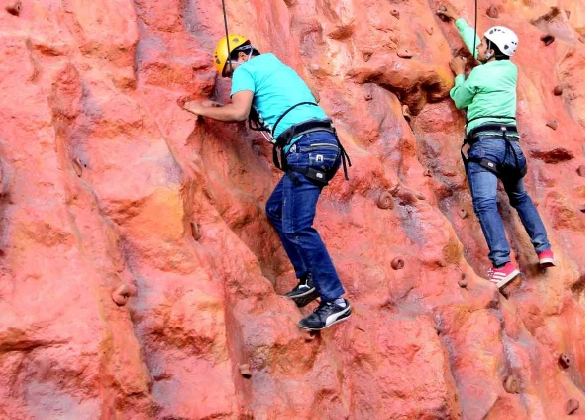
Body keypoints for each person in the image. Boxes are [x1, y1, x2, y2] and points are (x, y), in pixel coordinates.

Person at [180, 35, 351, 330]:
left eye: (230, 72)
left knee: (298, 226)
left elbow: (238, 112)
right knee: (276, 210)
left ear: (239, 58)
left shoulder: (247, 69)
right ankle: (309, 278)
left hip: (306, 148)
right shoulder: (281, 68)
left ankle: (335, 301)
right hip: (322, 145)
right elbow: (314, 99)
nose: (233, 79)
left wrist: (201, 108)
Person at [437, 4, 556, 290]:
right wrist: (459, 22)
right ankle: (544, 249)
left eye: (484, 46)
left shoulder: (478, 75)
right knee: (521, 198)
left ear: (491, 51)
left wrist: (459, 74)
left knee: (485, 203)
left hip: (486, 146)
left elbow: (460, 99)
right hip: (512, 149)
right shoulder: (509, 69)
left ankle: (502, 264)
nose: (479, 49)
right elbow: (480, 47)